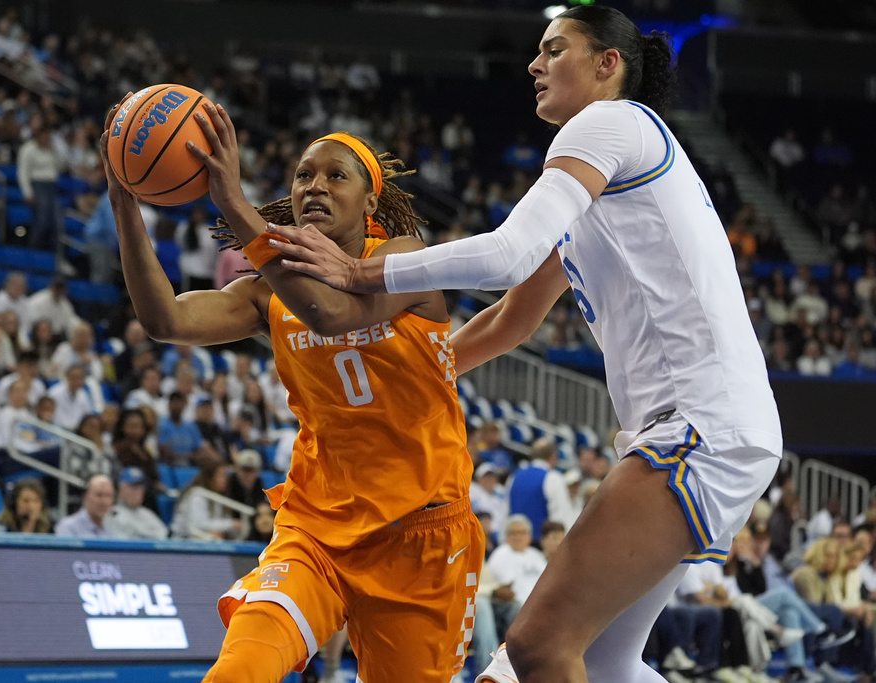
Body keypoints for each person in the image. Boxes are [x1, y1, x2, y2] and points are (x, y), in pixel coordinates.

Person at [266, 7, 783, 683]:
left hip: (698, 425)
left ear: (607, 65)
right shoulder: (603, 179)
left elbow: (508, 254)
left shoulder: (609, 122)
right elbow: (514, 317)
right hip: (704, 427)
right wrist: (415, 375)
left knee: (541, 649)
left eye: (554, 49)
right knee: (596, 660)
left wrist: (358, 271)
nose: (535, 65)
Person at [102, 95, 481, 681]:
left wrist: (233, 201)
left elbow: (330, 313)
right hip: (316, 527)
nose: (315, 186)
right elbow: (165, 321)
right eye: (304, 174)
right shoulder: (267, 291)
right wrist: (126, 205)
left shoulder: (407, 260)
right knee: (239, 670)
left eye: (336, 175)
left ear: (370, 200)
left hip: (420, 534)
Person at [105, 467, 168, 540]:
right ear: (121, 490)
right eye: (133, 487)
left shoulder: (148, 514)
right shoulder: (113, 513)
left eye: (139, 487)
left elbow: (165, 536)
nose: (137, 492)